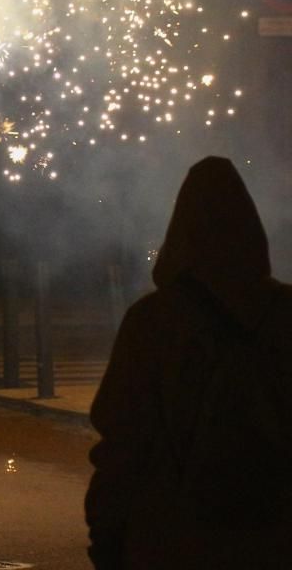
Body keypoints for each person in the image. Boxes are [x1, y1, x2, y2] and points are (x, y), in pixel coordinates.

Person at [85, 157, 292, 569]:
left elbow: (122, 437)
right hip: (272, 534)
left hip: (171, 534)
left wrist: (107, 531)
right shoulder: (285, 313)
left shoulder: (153, 320)